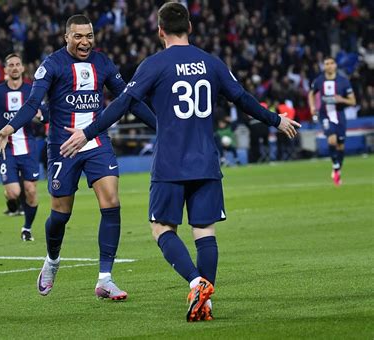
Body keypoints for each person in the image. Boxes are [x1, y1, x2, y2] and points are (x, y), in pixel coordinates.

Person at [59, 2, 300, 322]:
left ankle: (196, 282)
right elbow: (242, 99)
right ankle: (207, 300)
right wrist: (275, 120)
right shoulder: (211, 62)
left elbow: (123, 104)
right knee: (205, 232)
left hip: (170, 163)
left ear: (160, 31)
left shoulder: (154, 65)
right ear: (190, 28)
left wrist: (86, 132)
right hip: (206, 162)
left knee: (162, 228)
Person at [0, 15, 156, 300]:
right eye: (78, 36)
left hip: (96, 141)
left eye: (89, 36)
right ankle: (52, 261)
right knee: (60, 214)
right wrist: (8, 129)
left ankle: (105, 278)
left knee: (111, 201)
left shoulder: (103, 63)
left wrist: (163, 127)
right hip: (62, 147)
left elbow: (129, 100)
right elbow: (33, 103)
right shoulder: (51, 65)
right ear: (66, 37)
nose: (85, 41)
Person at [0, 53, 42, 241]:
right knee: (14, 191)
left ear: (23, 68)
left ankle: (27, 228)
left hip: (28, 146)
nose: (14, 68)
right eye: (10, 65)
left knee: (31, 191)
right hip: (6, 148)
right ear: (6, 70)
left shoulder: (32, 90)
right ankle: (11, 198)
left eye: (17, 64)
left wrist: (41, 117)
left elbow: (45, 112)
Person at [308, 57, 356, 185]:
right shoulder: (319, 80)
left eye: (331, 63)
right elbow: (311, 93)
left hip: (339, 115)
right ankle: (335, 166)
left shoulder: (343, 82)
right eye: (326, 64)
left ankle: (337, 169)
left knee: (340, 144)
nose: (328, 66)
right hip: (325, 115)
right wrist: (312, 107)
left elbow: (353, 101)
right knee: (332, 139)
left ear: (335, 65)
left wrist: (341, 100)